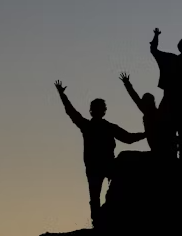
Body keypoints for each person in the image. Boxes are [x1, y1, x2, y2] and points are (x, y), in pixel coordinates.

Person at [54, 80, 145, 223]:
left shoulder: (100, 126)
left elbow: (128, 138)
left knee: (101, 193)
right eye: (99, 108)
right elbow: (71, 111)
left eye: (101, 108)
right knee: (96, 195)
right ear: (97, 111)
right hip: (96, 167)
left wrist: (145, 134)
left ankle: (104, 217)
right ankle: (98, 221)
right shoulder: (90, 126)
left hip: (104, 166)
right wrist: (62, 95)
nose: (100, 111)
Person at [149, 27, 182, 161]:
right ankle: (172, 159)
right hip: (171, 101)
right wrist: (156, 36)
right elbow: (154, 51)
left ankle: (181, 160)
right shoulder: (170, 59)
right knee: (170, 132)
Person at [119, 72, 173, 157]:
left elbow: (135, 97)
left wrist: (127, 83)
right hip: (159, 145)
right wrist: (127, 84)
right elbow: (135, 97)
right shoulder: (155, 112)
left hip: (161, 144)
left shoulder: (155, 113)